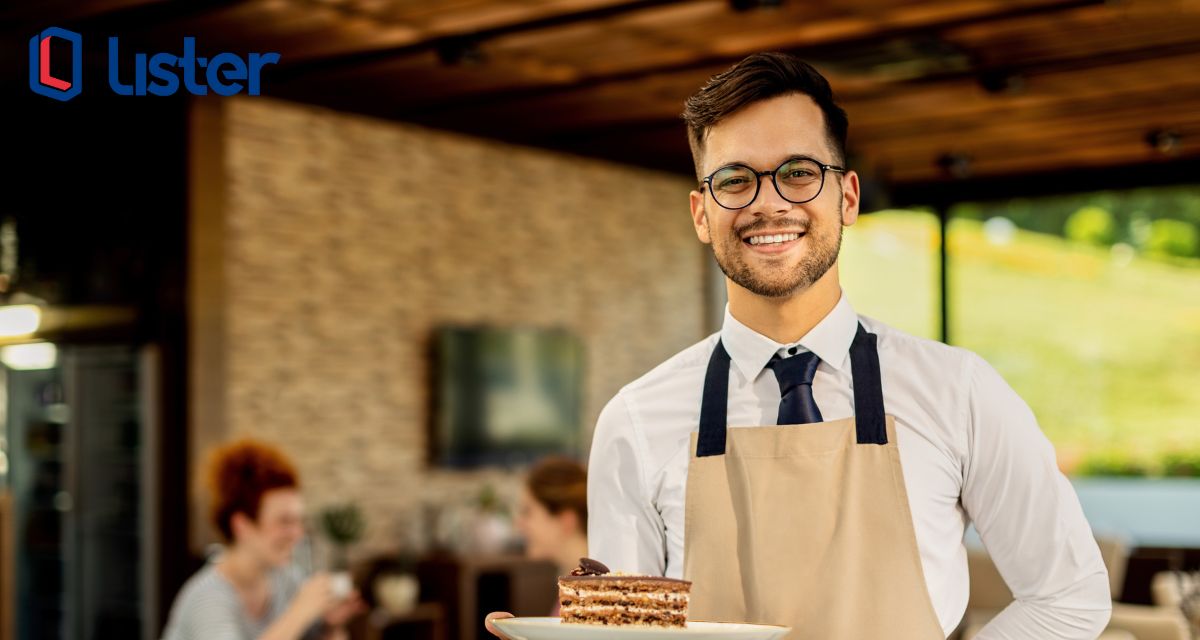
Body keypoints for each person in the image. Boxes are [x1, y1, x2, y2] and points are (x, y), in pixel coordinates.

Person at [490, 51, 1112, 639]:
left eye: (798, 173)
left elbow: (1068, 594)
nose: (768, 203)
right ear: (702, 213)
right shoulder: (634, 420)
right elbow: (623, 639)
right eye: (734, 180)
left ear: (846, 197)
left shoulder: (959, 392)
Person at [162, 439, 365, 640]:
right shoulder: (207, 599)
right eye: (284, 521)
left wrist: (331, 626)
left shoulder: (288, 581)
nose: (298, 533)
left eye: (299, 521)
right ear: (242, 525)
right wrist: (300, 612)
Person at [512, 456, 588, 615]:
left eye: (527, 512)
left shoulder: (590, 598)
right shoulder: (571, 587)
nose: (518, 524)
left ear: (566, 520)